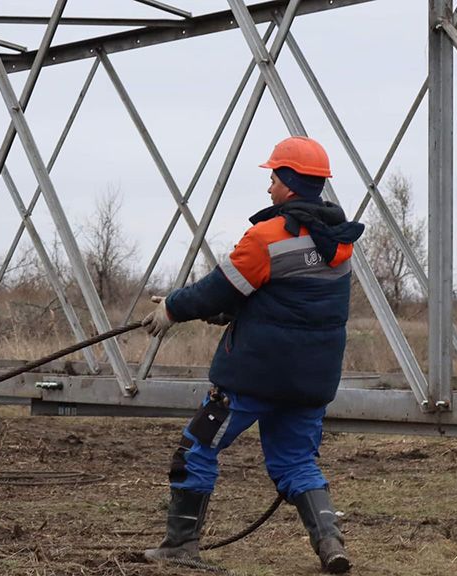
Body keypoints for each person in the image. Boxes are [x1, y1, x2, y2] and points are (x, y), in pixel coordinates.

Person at [142, 136, 364, 574]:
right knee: (296, 461)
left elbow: (217, 289)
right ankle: (330, 543)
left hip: (254, 376)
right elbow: (289, 299)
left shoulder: (266, 238)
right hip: (311, 380)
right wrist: (232, 310)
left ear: (290, 182)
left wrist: (171, 309)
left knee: (197, 448)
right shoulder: (339, 245)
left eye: (274, 178)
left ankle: (180, 546)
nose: (269, 187)